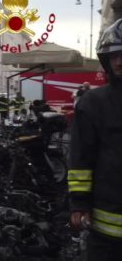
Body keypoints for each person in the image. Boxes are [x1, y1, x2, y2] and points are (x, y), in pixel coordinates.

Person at [68, 19, 122, 259]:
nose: (119, 61)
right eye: (114, 56)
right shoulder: (94, 102)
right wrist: (79, 204)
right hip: (107, 229)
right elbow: (81, 158)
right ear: (106, 61)